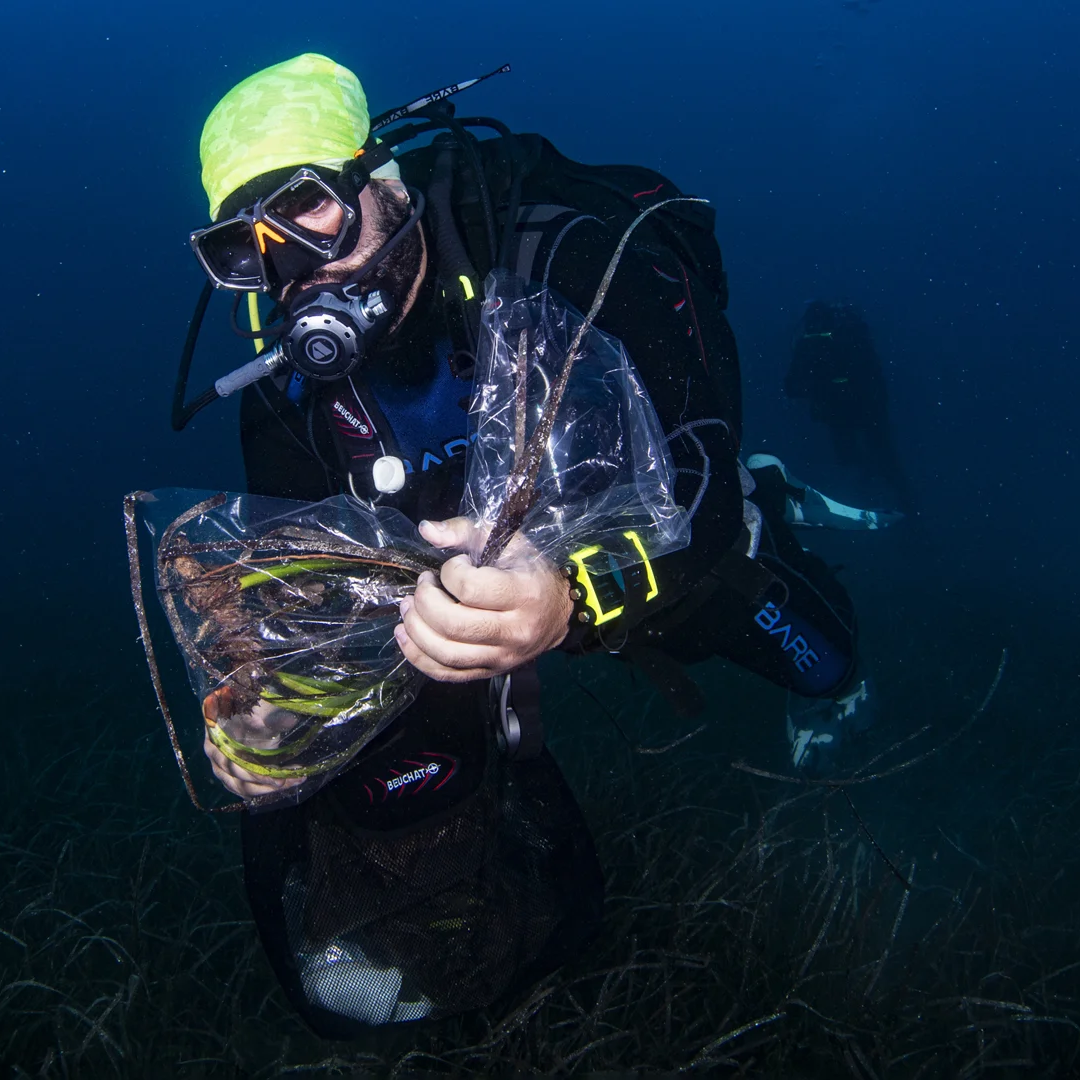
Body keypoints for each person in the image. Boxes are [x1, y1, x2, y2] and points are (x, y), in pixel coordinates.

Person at [171, 54, 868, 1036]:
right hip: (471, 584)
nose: (295, 269)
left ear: (383, 181)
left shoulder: (571, 251)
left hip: (646, 539)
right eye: (248, 249)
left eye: (307, 209)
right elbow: (310, 600)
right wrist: (273, 702)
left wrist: (572, 602)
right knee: (392, 749)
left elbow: (694, 489)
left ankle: (783, 509)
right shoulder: (292, 400)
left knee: (822, 660)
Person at [783, 299, 917, 517]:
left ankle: (902, 505)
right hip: (852, 412)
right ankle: (889, 497)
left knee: (879, 460)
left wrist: (822, 387)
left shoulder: (830, 343)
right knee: (867, 459)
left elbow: (793, 387)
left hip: (856, 411)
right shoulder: (813, 346)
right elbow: (792, 386)